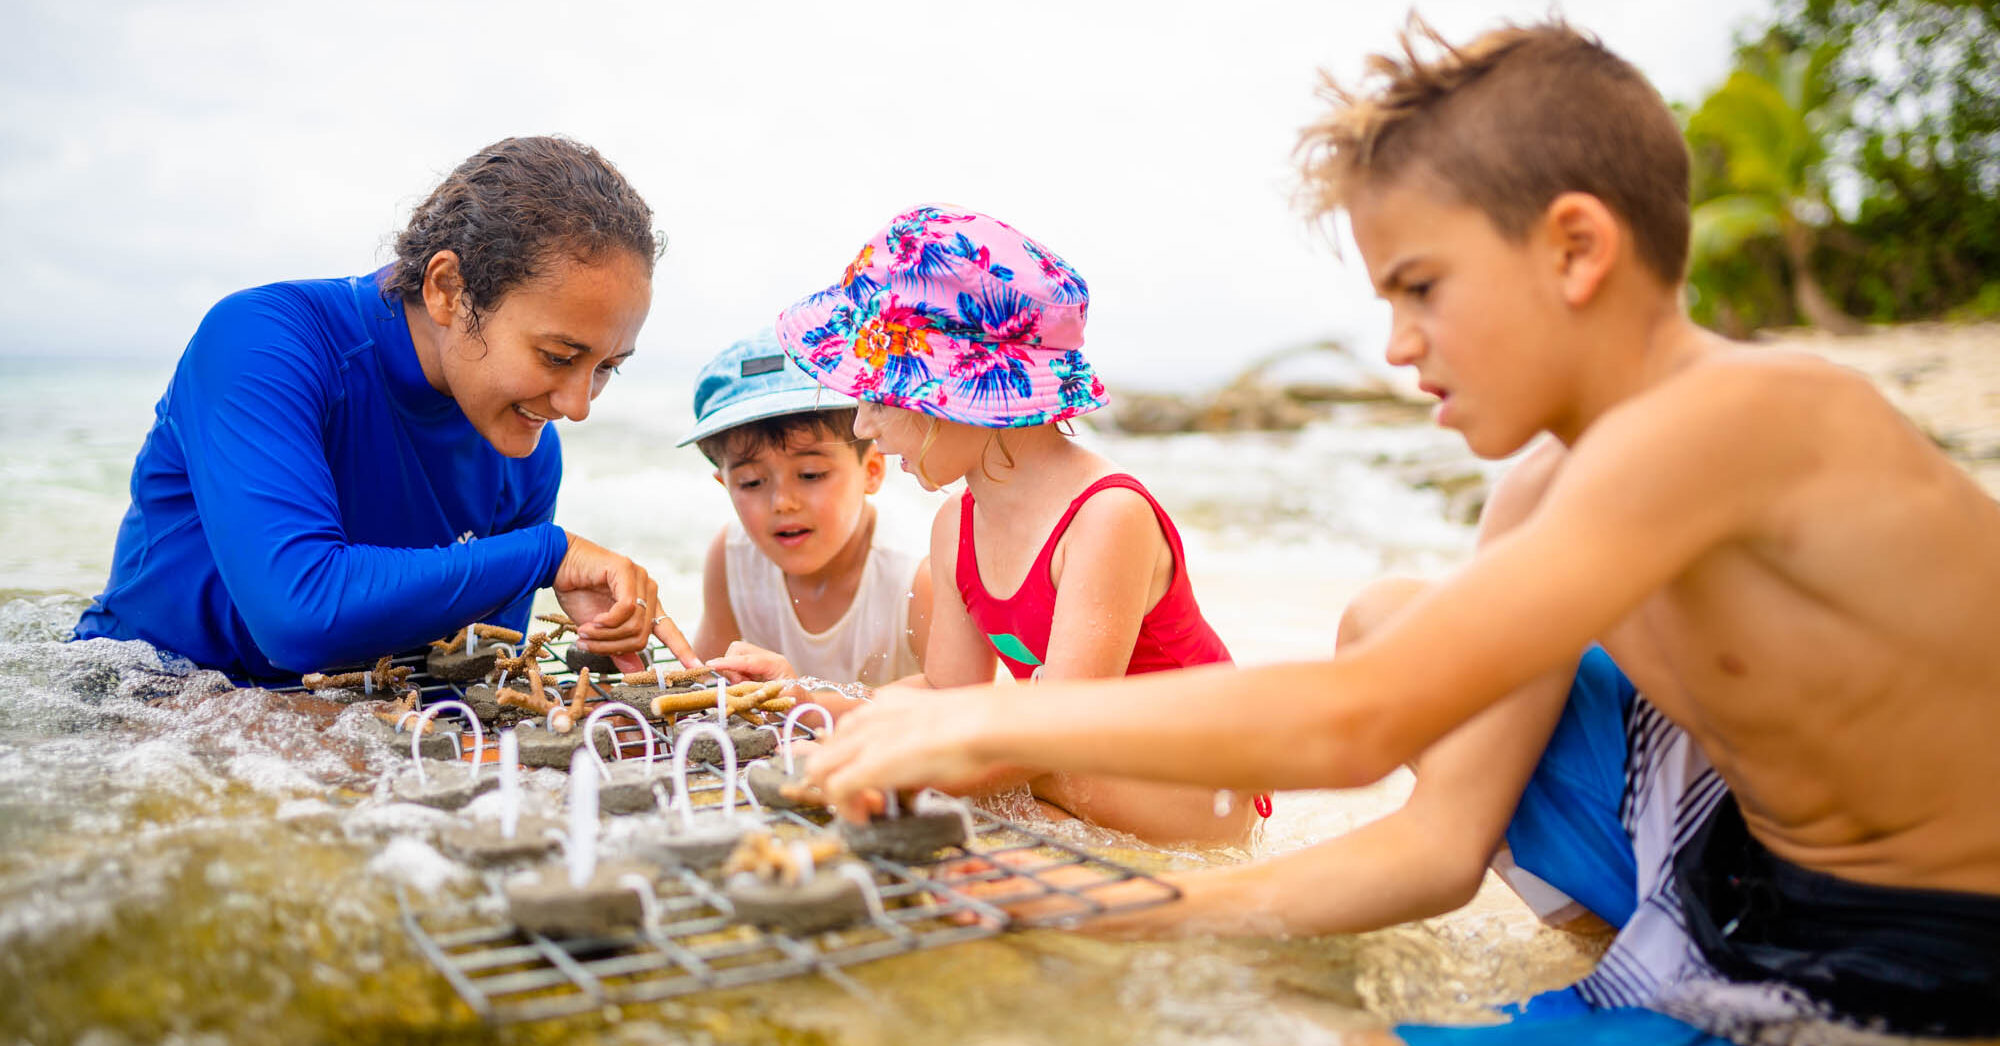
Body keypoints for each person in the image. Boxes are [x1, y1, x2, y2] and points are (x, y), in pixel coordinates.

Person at [800, 22, 2000, 1043]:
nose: (1394, 345)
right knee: (1398, 619)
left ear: (1575, 247)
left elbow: (1358, 720)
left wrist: (983, 716)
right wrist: (1133, 904)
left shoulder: (1744, 412)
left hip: (1921, 930)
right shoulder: (1539, 488)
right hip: (1723, 854)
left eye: (1419, 288)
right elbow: (1435, 842)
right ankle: (1608, 936)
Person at [74, 136, 701, 683]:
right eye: (559, 355)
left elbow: (460, 675)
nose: (577, 405)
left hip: (320, 735)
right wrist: (545, 556)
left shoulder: (526, 451)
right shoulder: (262, 342)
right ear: (448, 288)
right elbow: (300, 617)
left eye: (607, 369)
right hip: (137, 715)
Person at [774, 204, 1259, 848]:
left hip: (1197, 785)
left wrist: (885, 759)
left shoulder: (1106, 516)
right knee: (961, 770)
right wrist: (804, 701)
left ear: (961, 392)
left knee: (985, 779)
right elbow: (948, 691)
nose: (863, 428)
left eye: (880, 396)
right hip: (1080, 761)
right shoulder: (955, 525)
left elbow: (1058, 730)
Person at [679, 329, 931, 694]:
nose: (783, 501)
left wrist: (804, 700)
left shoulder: (916, 575)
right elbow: (705, 681)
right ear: (725, 485)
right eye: (751, 482)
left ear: (872, 470)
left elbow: (955, 700)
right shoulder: (732, 557)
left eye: (811, 474)